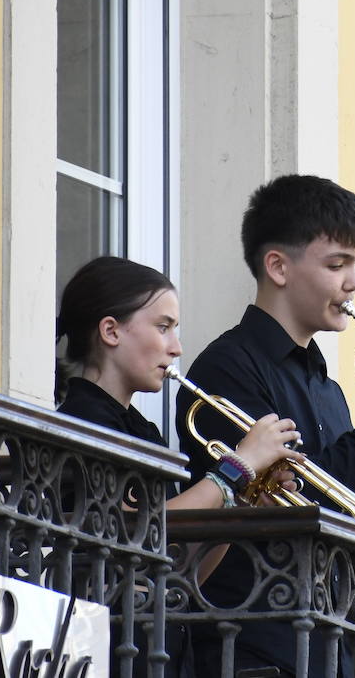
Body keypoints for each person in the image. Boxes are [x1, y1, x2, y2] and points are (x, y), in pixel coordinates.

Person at [176, 175, 355, 678]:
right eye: (336, 264)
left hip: (328, 637)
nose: (354, 282)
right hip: (251, 639)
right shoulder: (228, 367)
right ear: (278, 267)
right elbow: (299, 499)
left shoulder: (328, 388)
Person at [55, 255, 304, 678]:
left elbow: (184, 568)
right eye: (163, 327)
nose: (176, 347)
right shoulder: (84, 420)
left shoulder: (141, 429)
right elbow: (136, 534)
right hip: (109, 646)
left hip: (159, 647)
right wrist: (235, 469)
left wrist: (242, 500)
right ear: (111, 331)